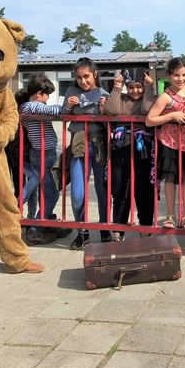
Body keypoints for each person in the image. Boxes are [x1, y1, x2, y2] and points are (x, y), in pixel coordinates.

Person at [145, 57, 185, 232]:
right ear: (169, 75)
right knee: (170, 179)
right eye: (176, 75)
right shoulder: (165, 97)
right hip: (169, 142)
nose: (181, 78)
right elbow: (150, 120)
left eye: (184, 74)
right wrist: (171, 116)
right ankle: (170, 215)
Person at [104, 68, 157, 241]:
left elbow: (148, 110)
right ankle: (119, 227)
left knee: (144, 188)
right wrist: (117, 88)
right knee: (121, 187)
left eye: (139, 87)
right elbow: (110, 110)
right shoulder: (121, 98)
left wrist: (149, 89)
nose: (135, 91)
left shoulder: (149, 99)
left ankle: (145, 225)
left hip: (143, 148)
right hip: (121, 147)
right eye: (131, 87)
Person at [63, 57, 110, 249]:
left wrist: (105, 108)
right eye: (79, 77)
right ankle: (82, 232)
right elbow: (61, 114)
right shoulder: (71, 91)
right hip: (78, 145)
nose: (83, 81)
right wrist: (67, 107)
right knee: (77, 194)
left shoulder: (103, 93)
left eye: (87, 76)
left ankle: (105, 228)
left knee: (102, 191)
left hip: (99, 145)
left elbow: (114, 115)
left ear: (95, 75)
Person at [15, 75, 65, 244]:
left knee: (43, 188)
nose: (48, 98)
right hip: (43, 154)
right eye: (47, 95)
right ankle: (36, 228)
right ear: (38, 94)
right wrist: (68, 105)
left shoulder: (31, 106)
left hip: (44, 153)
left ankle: (42, 220)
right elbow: (55, 111)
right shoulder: (30, 106)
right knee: (51, 193)